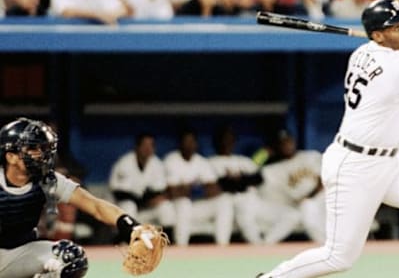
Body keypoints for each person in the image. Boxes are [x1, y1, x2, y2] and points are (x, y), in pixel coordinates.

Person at [257, 0, 399, 278]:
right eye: (395, 27)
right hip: (356, 165)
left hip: (395, 158)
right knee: (339, 257)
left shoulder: (363, 52)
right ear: (377, 35)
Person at [0, 117, 158, 277]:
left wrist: (131, 226)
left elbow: (94, 204)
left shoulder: (46, 180)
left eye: (41, 147)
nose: (40, 153)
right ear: (10, 156)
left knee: (72, 259)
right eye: (32, 148)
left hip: (22, 253)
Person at [208, 126, 302, 245]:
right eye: (224, 139)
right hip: (233, 203)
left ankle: (267, 243)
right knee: (244, 216)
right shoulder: (211, 162)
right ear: (217, 142)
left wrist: (264, 153)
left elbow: (258, 177)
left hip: (253, 200)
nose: (227, 142)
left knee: (292, 215)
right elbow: (226, 185)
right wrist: (243, 180)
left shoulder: (242, 160)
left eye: (230, 139)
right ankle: (255, 246)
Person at [164, 128, 233, 246]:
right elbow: (173, 192)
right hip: (177, 206)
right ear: (180, 144)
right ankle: (181, 247)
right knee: (184, 203)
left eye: (192, 141)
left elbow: (215, 189)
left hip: (198, 205)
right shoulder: (171, 160)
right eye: (186, 141)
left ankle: (222, 246)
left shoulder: (201, 161)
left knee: (224, 201)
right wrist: (200, 187)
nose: (189, 145)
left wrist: (191, 189)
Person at [109, 133, 175, 229]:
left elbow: (159, 191)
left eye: (151, 145)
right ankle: (128, 241)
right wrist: (144, 201)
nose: (147, 149)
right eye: (144, 145)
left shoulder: (157, 164)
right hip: (122, 207)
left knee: (166, 207)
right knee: (129, 206)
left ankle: (168, 240)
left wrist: (151, 199)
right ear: (137, 147)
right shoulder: (124, 163)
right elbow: (120, 193)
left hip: (146, 208)